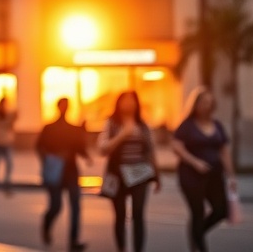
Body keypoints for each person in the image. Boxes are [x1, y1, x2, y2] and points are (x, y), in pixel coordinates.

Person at [171, 87, 236, 252]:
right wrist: (195, 162)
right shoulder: (187, 126)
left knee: (221, 210)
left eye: (210, 102)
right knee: (197, 212)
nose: (207, 106)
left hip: (214, 175)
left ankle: (197, 233)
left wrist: (231, 176)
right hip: (191, 176)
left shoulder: (217, 125)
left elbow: (224, 151)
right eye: (203, 102)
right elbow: (176, 147)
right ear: (196, 104)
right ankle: (200, 246)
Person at [97, 91, 161, 252]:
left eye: (131, 101)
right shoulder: (111, 123)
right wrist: (122, 135)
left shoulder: (143, 125)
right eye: (124, 101)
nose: (128, 104)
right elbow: (102, 149)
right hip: (118, 174)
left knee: (138, 215)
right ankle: (122, 247)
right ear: (118, 103)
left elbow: (151, 150)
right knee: (120, 215)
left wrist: (157, 174)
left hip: (140, 173)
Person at [37, 98, 91, 252]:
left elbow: (80, 147)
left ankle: (73, 241)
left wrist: (83, 135)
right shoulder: (49, 128)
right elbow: (40, 147)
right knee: (56, 206)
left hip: (71, 171)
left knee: (75, 206)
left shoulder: (73, 129)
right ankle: (47, 224)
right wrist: (49, 163)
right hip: (55, 173)